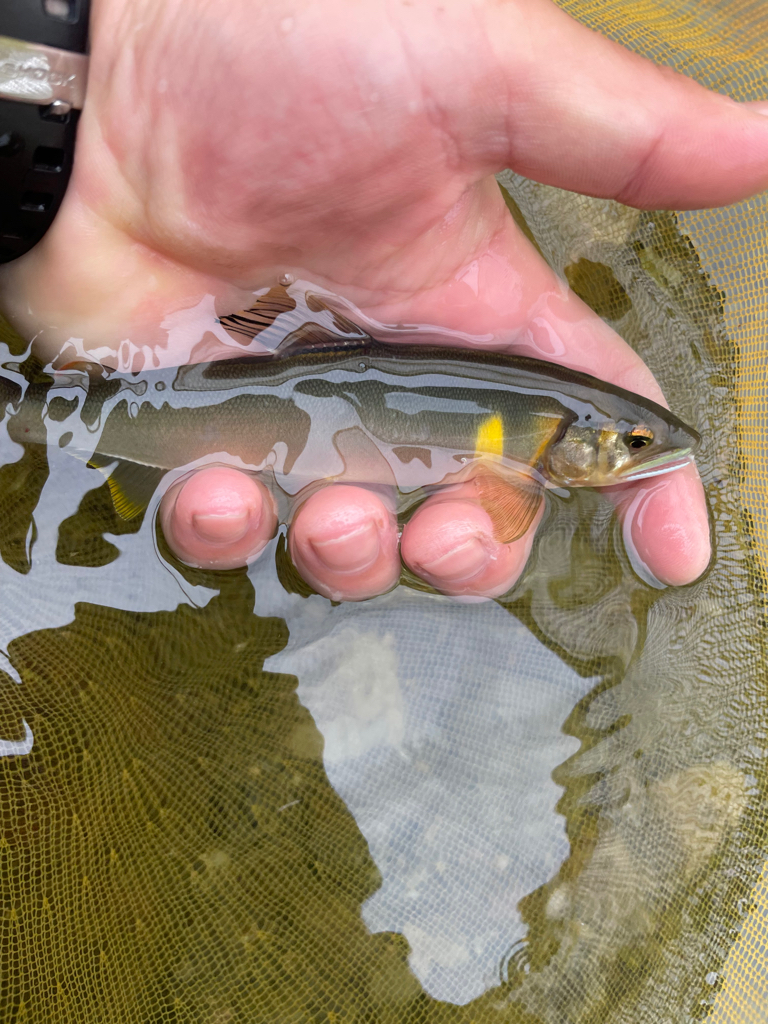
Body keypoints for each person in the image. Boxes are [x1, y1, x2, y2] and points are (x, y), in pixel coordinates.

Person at [1, 0, 767, 601]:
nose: (644, 451)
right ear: (569, 435)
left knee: (230, 504)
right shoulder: (525, 460)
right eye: (634, 442)